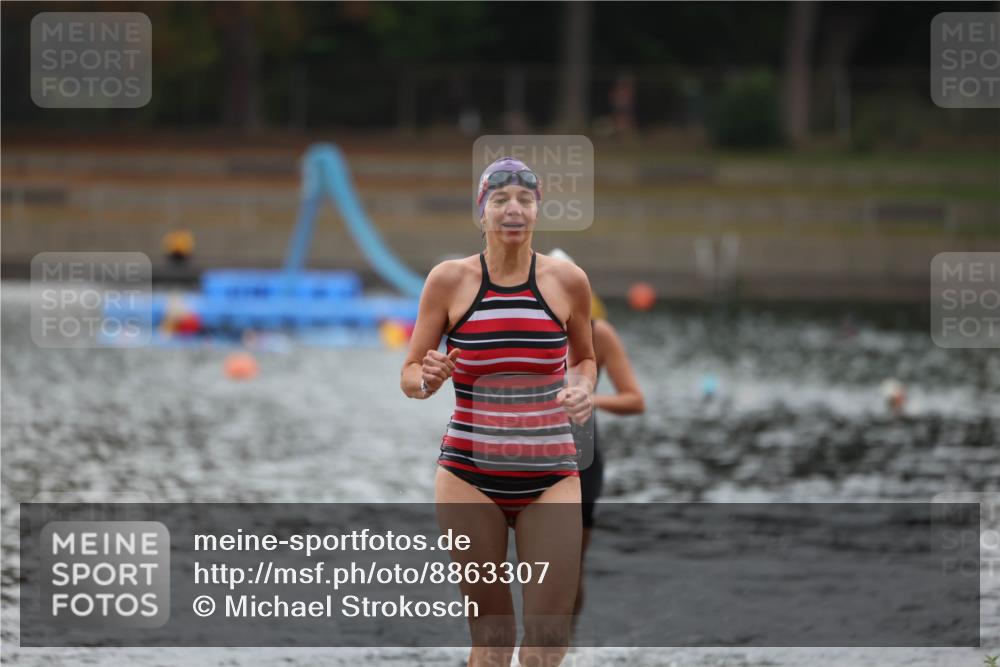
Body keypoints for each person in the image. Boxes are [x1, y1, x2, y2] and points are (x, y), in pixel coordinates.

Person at [400, 157, 597, 667]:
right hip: (468, 477)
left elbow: (585, 358)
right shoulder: (449, 280)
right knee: (492, 642)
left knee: (546, 643)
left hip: (551, 476)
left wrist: (582, 388)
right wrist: (427, 378)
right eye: (501, 199)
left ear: (538, 211)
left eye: (525, 200)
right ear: (481, 210)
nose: (513, 209)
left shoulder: (568, 280)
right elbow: (410, 373)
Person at [548, 248, 646, 624]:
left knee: (571, 564)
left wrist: (588, 398)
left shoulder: (598, 333)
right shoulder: (524, 327)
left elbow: (635, 400)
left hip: (582, 454)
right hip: (532, 453)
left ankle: (566, 643)